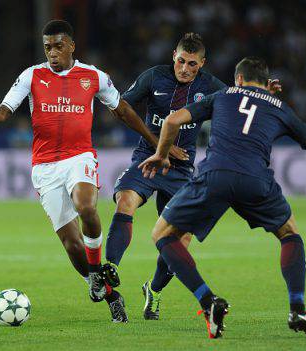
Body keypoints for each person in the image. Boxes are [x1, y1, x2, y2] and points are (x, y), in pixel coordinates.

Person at [138, 57, 306, 338]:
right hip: (255, 180)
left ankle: (208, 300)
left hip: (216, 175)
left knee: (162, 235)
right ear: (266, 83)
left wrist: (161, 154)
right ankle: (297, 309)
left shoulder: (223, 94)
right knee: (289, 234)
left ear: (238, 79)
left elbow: (173, 120)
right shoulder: (280, 107)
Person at [0, 19, 183, 323]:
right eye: (48, 47)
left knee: (86, 205)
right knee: (73, 246)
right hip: (44, 167)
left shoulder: (93, 76)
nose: (53, 52)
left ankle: (98, 271)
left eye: (59, 46)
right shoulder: (31, 76)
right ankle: (109, 293)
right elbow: (5, 110)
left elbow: (122, 110)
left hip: (79, 157)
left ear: (72, 45)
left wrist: (156, 143)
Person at [101, 33, 281, 321]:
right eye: (181, 61)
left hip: (182, 171)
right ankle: (111, 267)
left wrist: (261, 93)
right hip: (148, 159)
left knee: (179, 241)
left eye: (192, 64)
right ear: (174, 55)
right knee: (125, 201)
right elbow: (121, 108)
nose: (184, 69)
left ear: (202, 64)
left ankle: (154, 291)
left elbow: (238, 102)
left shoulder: (209, 85)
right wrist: (159, 143)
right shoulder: (153, 77)